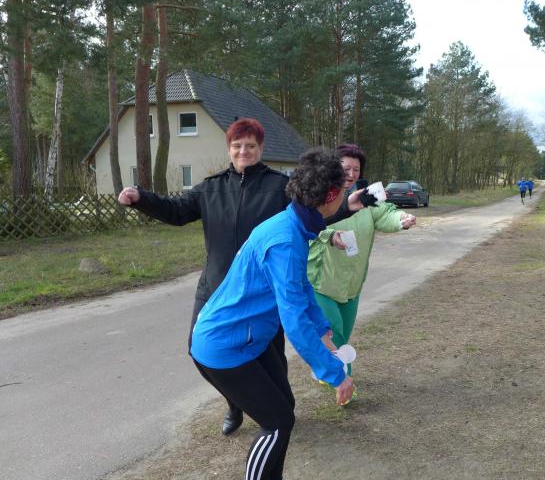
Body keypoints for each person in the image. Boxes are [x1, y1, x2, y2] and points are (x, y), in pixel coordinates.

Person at [117, 118, 366, 436]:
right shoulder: (211, 187)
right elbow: (176, 210)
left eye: (250, 145)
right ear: (229, 149)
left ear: (261, 148)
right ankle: (237, 403)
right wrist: (142, 199)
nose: (243, 151)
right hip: (217, 285)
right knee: (204, 350)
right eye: (237, 146)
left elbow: (315, 208)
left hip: (267, 290)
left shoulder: (279, 186)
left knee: (270, 356)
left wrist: (345, 208)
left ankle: (276, 411)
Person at [191, 148, 355, 480]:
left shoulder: (294, 225)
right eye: (343, 191)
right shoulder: (285, 238)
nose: (344, 198)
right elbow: (293, 321)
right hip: (223, 346)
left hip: (249, 339)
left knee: (283, 409)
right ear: (330, 195)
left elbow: (300, 287)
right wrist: (334, 374)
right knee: (277, 421)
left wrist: (322, 327)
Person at [307, 144, 416, 381]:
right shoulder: (319, 194)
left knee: (344, 333)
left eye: (356, 169)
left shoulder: (367, 197)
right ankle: (339, 378)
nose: (351, 173)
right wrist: (329, 236)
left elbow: (385, 214)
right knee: (332, 330)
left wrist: (401, 219)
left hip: (352, 281)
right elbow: (306, 224)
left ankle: (327, 369)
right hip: (322, 279)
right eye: (345, 168)